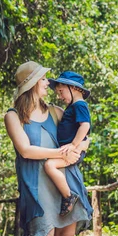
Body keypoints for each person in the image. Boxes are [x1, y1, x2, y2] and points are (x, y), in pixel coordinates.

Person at [4, 61, 93, 236]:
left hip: (64, 177)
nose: (48, 84)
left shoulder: (56, 111)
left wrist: (77, 150)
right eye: (44, 80)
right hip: (37, 181)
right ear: (32, 84)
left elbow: (84, 135)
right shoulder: (13, 116)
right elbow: (26, 150)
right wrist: (61, 152)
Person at [44, 71, 92, 217]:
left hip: (74, 150)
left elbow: (85, 126)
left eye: (61, 91)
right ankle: (67, 195)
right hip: (72, 149)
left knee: (49, 165)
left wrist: (73, 144)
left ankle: (68, 196)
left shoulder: (79, 105)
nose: (59, 96)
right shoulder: (73, 107)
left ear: (74, 88)